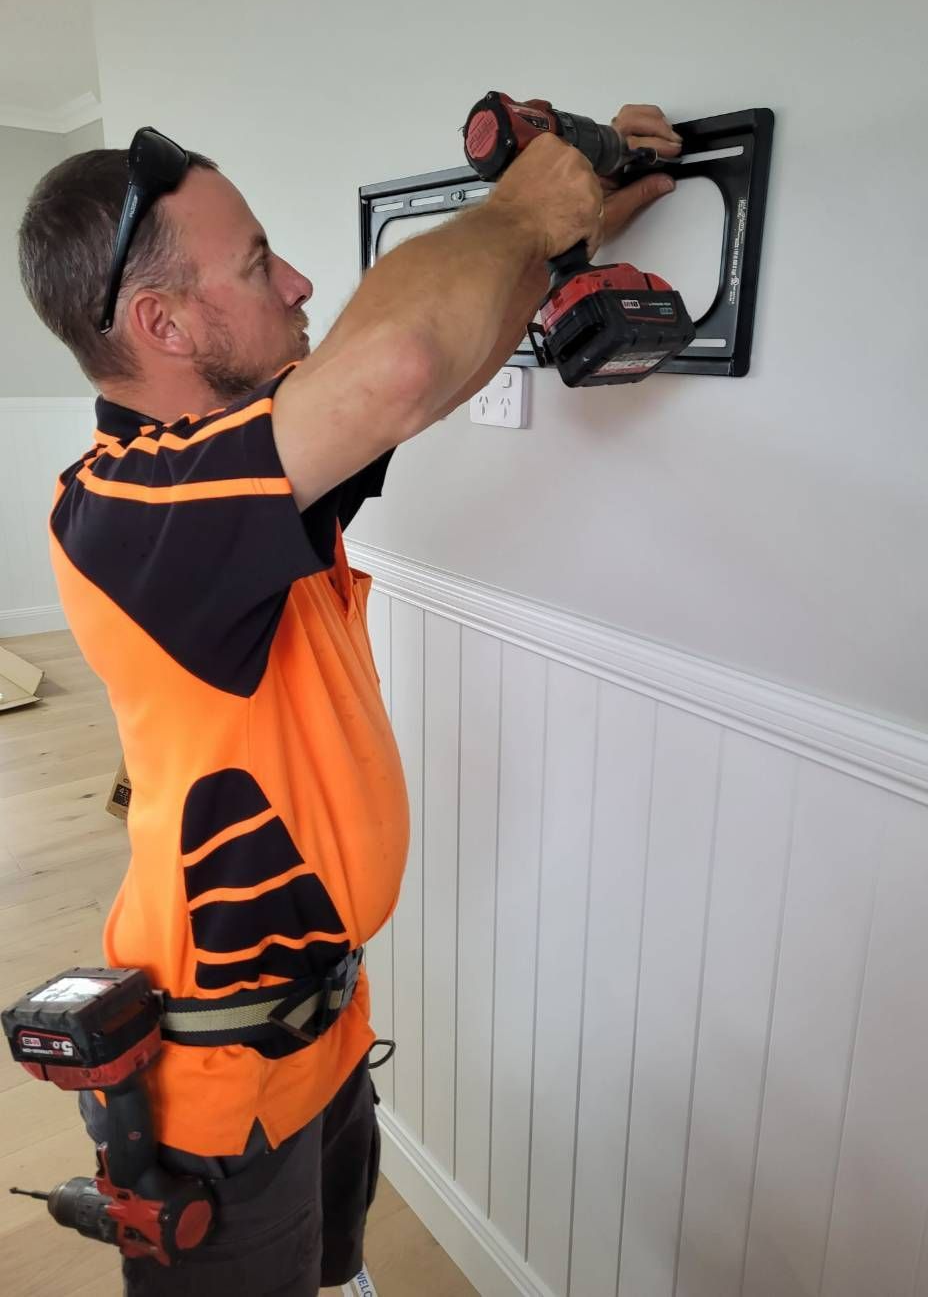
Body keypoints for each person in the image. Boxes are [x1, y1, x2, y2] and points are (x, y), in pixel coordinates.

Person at [16, 101, 681, 1296]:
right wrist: (518, 206)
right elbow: (400, 363)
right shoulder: (128, 509)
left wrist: (563, 228)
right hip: (220, 1089)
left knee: (338, 1272)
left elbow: (427, 379)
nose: (302, 278)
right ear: (160, 321)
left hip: (321, 1026)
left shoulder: (253, 471)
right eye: (261, 261)